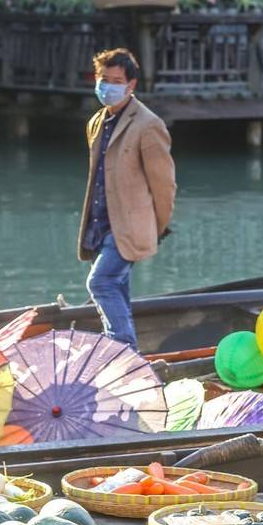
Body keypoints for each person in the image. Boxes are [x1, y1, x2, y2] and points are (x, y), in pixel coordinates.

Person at [77, 48, 176, 351]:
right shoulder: (97, 121)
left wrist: (155, 228)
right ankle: (125, 354)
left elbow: (164, 185)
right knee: (117, 289)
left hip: (131, 227)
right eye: (103, 79)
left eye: (116, 80)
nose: (108, 86)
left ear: (131, 85)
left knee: (100, 283)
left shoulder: (148, 125)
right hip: (99, 224)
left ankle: (122, 351)